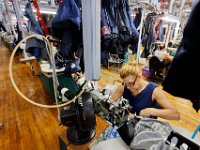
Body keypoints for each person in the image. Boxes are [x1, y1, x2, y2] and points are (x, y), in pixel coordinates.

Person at [110, 62, 180, 120]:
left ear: (139, 77)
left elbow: (176, 115)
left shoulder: (154, 91)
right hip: (128, 124)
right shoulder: (124, 86)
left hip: (145, 128)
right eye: (126, 84)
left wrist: (152, 111)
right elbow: (110, 102)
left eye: (131, 84)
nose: (128, 87)